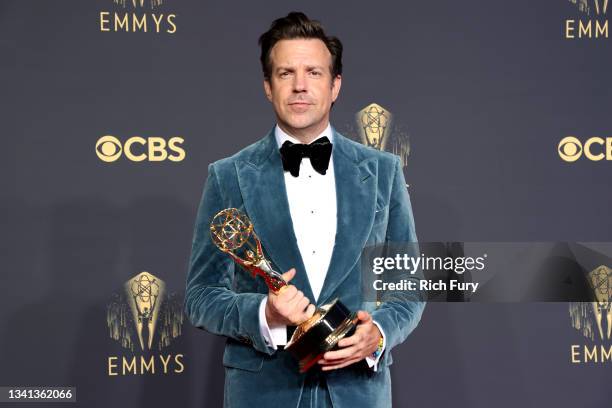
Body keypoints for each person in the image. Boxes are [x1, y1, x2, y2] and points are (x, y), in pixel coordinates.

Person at [184, 11, 425, 408]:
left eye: (314, 72)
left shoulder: (384, 171)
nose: (299, 86)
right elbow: (201, 296)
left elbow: (408, 289)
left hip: (357, 393)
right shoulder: (228, 176)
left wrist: (377, 333)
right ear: (267, 86)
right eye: (285, 73)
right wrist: (265, 313)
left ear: (335, 86)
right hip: (263, 393)